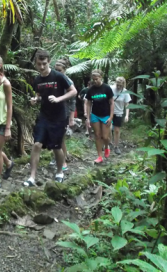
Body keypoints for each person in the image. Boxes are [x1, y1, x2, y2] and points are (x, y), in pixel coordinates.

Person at [24, 50, 77, 186]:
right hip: (44, 115)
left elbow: (73, 91)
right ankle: (32, 177)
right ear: (35, 63)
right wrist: (35, 99)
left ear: (49, 62)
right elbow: (39, 95)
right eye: (39, 64)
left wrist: (59, 98)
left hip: (59, 116)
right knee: (36, 144)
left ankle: (60, 172)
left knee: (56, 146)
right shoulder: (37, 80)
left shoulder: (58, 76)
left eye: (44, 64)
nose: (41, 67)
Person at [49, 59, 76, 171]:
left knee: (60, 139)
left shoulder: (68, 82)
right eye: (56, 69)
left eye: (60, 70)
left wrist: (71, 118)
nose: (57, 72)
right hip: (52, 112)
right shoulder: (52, 79)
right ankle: (57, 158)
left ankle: (63, 161)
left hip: (64, 113)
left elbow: (73, 101)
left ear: (64, 70)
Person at [85, 69, 114, 163]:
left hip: (106, 115)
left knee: (105, 137)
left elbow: (111, 103)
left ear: (100, 77)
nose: (95, 81)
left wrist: (111, 117)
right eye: (93, 79)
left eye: (96, 79)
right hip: (95, 115)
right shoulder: (91, 90)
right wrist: (88, 118)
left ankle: (106, 146)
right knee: (97, 135)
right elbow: (89, 103)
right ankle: (99, 156)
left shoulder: (106, 88)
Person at [111, 77, 131, 155]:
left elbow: (127, 104)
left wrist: (127, 115)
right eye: (117, 85)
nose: (118, 87)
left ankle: (116, 146)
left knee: (116, 130)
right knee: (108, 128)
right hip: (110, 112)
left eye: (120, 85)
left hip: (119, 112)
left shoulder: (125, 92)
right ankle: (108, 144)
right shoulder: (111, 88)